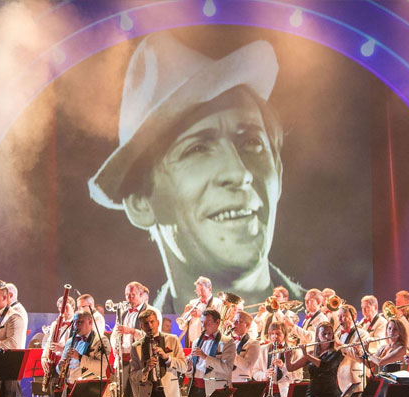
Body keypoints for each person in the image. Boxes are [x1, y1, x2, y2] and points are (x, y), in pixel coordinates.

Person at [87, 31, 305, 315]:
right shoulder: (139, 335)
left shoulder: (323, 323)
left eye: (252, 142)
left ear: (278, 170)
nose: (239, 173)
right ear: (140, 202)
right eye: (198, 148)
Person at [111, 282, 161, 397]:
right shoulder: (124, 313)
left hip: (141, 362)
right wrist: (115, 346)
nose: (129, 298)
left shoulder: (151, 311)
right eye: (127, 295)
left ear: (141, 294)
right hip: (124, 360)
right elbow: (115, 333)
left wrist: (132, 331)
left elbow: (154, 335)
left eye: (132, 295)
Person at [176, 276, 222, 347]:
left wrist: (201, 314)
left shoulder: (218, 303)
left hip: (207, 343)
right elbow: (182, 327)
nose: (199, 293)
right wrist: (185, 313)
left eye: (202, 290)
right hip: (191, 343)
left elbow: (218, 324)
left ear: (209, 289)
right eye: (197, 290)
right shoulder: (192, 302)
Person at [230, 311, 260, 382]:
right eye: (233, 321)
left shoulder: (253, 344)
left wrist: (230, 353)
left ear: (247, 325)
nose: (234, 324)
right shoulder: (229, 341)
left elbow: (247, 366)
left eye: (238, 321)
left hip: (241, 382)